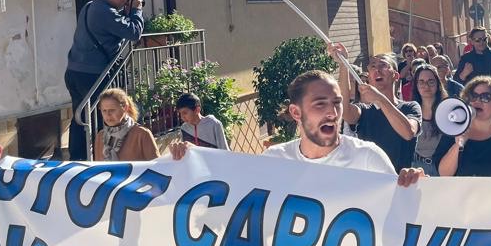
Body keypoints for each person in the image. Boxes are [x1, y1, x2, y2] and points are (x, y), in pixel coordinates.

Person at [171, 71, 423, 187]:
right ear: (295, 112)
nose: (332, 112)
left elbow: (400, 218)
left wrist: (418, 189)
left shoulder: (368, 157)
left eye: (336, 103)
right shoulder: (274, 161)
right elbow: (230, 195)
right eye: (320, 104)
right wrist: (185, 160)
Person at [64, 0, 145, 160]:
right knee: (102, 117)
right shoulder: (105, 12)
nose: (127, 2)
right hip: (92, 75)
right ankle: (101, 157)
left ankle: (78, 157)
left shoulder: (90, 6)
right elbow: (134, 33)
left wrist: (127, 11)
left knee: (80, 117)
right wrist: (136, 11)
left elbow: (111, 28)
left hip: (74, 71)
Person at [335, 47, 421, 171]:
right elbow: (344, 110)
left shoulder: (410, 107)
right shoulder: (364, 110)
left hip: (402, 179)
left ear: (396, 75)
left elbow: (408, 133)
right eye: (373, 66)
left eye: (383, 65)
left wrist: (380, 99)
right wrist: (343, 64)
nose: (377, 70)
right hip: (371, 179)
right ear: (369, 79)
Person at [93, 89, 157, 161]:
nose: (108, 115)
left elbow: (156, 165)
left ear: (125, 108)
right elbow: (98, 165)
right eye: (104, 110)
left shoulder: (141, 134)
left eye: (112, 110)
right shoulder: (100, 136)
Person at [410, 64, 447, 176]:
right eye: (421, 82)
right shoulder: (410, 110)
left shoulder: (447, 110)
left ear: (437, 84)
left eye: (431, 81)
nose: (426, 86)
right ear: (416, 85)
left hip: (441, 167)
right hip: (415, 166)